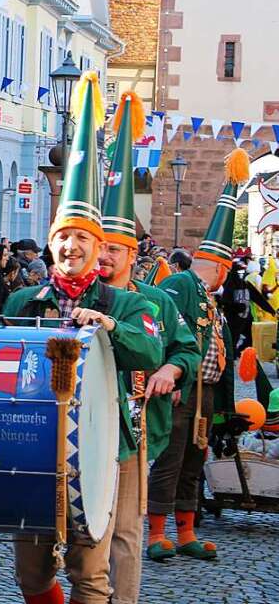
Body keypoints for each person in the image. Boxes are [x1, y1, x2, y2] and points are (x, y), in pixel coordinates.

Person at [2, 73, 161, 604]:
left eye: (83, 239)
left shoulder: (129, 303)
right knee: (31, 573)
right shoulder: (26, 302)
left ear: (100, 250)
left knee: (91, 574)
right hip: (33, 446)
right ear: (53, 243)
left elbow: (150, 351)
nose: (72, 246)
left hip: (98, 448)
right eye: (63, 236)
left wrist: (111, 327)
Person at [97, 91, 200, 604]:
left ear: (132, 253)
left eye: (114, 248)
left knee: (124, 534)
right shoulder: (65, 296)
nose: (103, 256)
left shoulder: (157, 300)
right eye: (99, 246)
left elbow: (187, 350)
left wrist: (173, 373)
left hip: (134, 430)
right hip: (77, 429)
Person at [147, 149, 247, 563]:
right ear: (215, 265)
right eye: (222, 267)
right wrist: (165, 376)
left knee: (194, 461)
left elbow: (219, 359)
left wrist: (225, 407)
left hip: (203, 394)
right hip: (180, 390)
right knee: (170, 460)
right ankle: (156, 533)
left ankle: (185, 531)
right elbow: (163, 333)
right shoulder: (181, 287)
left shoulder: (212, 301)